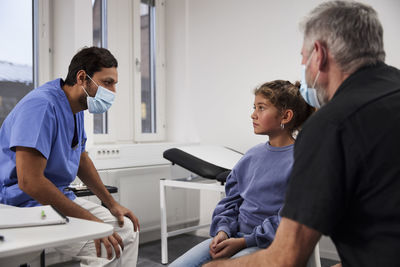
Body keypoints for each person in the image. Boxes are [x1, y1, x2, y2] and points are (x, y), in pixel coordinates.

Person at [204, 1, 400, 267]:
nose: (302, 66)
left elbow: (285, 256)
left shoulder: (330, 126)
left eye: (303, 57)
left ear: (318, 54)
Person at [0, 47, 140, 266]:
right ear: (82, 77)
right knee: (107, 245)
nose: (112, 91)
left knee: (125, 228)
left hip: (56, 199)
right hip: (24, 205)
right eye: (107, 82)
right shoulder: (41, 106)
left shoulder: (74, 109)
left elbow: (81, 158)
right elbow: (29, 182)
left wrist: (110, 203)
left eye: (114, 84)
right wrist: (93, 223)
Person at [170, 80, 314, 267]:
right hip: (233, 236)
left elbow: (289, 220)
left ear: (285, 116)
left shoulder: (301, 161)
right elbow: (231, 201)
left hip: (268, 244)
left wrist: (245, 241)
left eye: (261, 108)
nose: (253, 114)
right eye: (254, 107)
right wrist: (223, 231)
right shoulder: (252, 156)